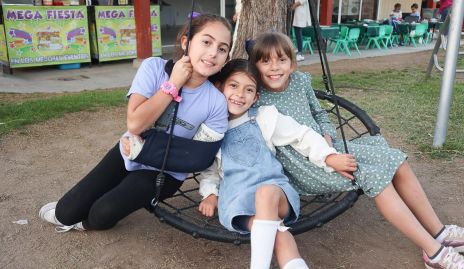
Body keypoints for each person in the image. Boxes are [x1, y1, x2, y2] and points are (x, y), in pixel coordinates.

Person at [249, 31, 464, 269]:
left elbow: (320, 113)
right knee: (374, 177)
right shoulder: (256, 96)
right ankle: (434, 254)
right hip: (304, 165)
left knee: (396, 160)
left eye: (281, 60)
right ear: (256, 66)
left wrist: (328, 135)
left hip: (329, 148)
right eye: (265, 61)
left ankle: (439, 232)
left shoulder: (300, 82)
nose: (274, 68)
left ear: (292, 63)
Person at [38, 14, 232, 233]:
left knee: (100, 215)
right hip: (128, 150)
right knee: (65, 213)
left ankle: (89, 220)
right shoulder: (154, 68)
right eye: (206, 42)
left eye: (222, 48)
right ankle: (80, 208)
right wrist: (173, 84)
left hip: (166, 172)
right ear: (186, 42)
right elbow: (135, 124)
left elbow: (200, 156)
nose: (213, 53)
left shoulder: (216, 102)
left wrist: (148, 149)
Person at [196, 59, 316, 269]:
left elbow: (302, 135)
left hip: (276, 195)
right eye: (233, 85)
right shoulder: (214, 130)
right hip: (237, 202)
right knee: (277, 232)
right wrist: (210, 194)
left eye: (249, 89)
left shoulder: (263, 117)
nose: (240, 95)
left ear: (256, 97)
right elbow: (210, 169)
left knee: (265, 193)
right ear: (220, 87)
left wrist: (329, 156)